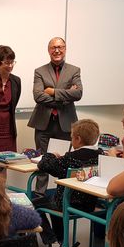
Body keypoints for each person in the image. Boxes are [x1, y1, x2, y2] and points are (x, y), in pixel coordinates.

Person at [34, 119, 103, 245]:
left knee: (34, 204)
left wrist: (50, 155)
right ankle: (59, 240)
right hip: (90, 203)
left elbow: (43, 165)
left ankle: (53, 241)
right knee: (52, 197)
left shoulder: (70, 158)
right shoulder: (100, 155)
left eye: (72, 138)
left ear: (78, 139)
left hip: (67, 202)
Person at [28, 37, 82, 194]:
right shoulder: (40, 71)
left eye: (60, 47)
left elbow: (78, 93)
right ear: (48, 50)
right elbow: (38, 96)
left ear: (65, 49)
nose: (57, 50)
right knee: (43, 162)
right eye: (53, 47)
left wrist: (52, 91)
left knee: (65, 165)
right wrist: (65, 97)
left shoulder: (74, 70)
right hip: (44, 123)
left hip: (65, 125)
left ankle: (62, 198)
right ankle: (39, 196)